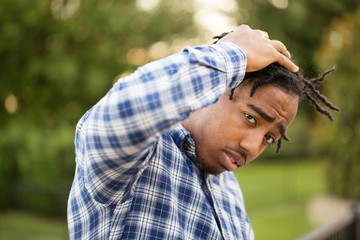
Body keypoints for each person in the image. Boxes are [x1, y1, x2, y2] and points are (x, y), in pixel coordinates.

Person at [67, 25, 337, 239]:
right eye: (250, 118)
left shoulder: (227, 188)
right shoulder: (141, 160)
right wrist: (232, 54)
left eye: (269, 138)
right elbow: (124, 110)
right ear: (215, 88)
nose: (254, 148)